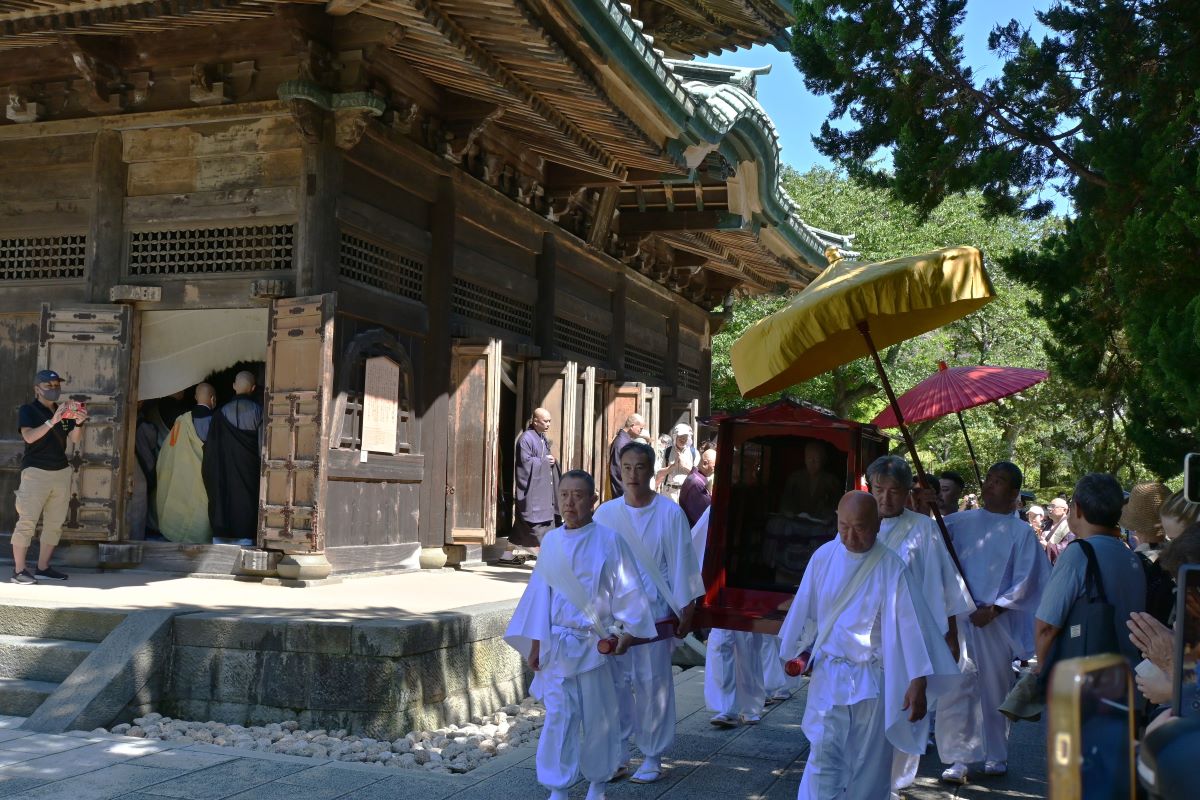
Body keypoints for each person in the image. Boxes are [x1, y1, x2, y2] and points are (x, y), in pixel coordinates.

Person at [777, 491, 959, 799]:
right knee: (822, 757)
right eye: (843, 525)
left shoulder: (891, 566)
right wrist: (794, 650)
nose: (850, 535)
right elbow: (805, 607)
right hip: (829, 675)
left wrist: (918, 683)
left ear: (876, 524)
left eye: (859, 527)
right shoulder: (824, 556)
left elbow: (911, 629)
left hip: (872, 678)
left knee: (869, 764)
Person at [504, 470, 656, 800]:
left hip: (595, 642)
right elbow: (539, 594)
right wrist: (535, 643)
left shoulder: (610, 541)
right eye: (564, 495)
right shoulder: (552, 542)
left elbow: (628, 590)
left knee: (599, 716)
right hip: (557, 643)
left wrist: (627, 633)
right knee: (559, 716)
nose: (569, 502)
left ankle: (598, 783)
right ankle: (557, 786)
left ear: (592, 500)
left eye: (578, 495)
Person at [594, 441, 704, 784]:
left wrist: (688, 608)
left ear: (652, 470)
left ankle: (653, 753)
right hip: (615, 614)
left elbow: (683, 561)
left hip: (655, 611)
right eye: (626, 467)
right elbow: (594, 565)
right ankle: (618, 752)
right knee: (614, 685)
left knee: (653, 682)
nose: (632, 474)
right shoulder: (605, 514)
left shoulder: (669, 514)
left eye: (640, 467)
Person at [865, 455, 975, 796]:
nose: (885, 498)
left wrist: (951, 633)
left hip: (908, 633)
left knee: (906, 705)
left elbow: (943, 584)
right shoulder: (859, 523)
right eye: (878, 490)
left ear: (907, 492)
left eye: (894, 491)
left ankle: (895, 783)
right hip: (866, 634)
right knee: (866, 709)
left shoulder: (923, 529)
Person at [936, 461, 1050, 784]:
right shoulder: (958, 522)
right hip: (960, 617)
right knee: (958, 685)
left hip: (996, 622)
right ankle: (958, 758)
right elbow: (937, 546)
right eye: (988, 479)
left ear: (1014, 493)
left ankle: (996, 753)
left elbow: (1029, 579)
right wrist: (930, 504)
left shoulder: (1022, 533)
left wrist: (996, 609)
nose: (990, 486)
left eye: (999, 482)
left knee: (994, 686)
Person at [1035, 473, 1146, 682]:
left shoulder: (1078, 553)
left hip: (1081, 684)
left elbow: (1046, 626)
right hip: (1128, 679)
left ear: (1077, 508)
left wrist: (1042, 669)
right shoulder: (1131, 556)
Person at [691, 505, 767, 729]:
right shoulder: (718, 506)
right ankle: (726, 707)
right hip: (720, 580)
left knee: (748, 642)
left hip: (749, 577)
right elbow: (695, 540)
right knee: (721, 640)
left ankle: (751, 705)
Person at [11, 369, 87, 584]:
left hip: (60, 471)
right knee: (27, 521)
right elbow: (29, 436)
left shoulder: (62, 412)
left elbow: (74, 438)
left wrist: (79, 422)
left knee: (55, 523)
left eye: (56, 385)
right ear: (37, 389)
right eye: (48, 385)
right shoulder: (29, 410)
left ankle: (43, 567)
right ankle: (18, 571)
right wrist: (52, 421)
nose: (54, 389)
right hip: (35, 472)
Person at [201, 371, 262, 546]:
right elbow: (262, 448)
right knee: (247, 501)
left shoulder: (219, 414)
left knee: (223, 497)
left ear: (234, 386)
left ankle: (221, 537)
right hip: (249, 470)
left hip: (224, 470)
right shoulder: (259, 412)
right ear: (253, 388)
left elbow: (212, 449)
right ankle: (247, 538)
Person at [156, 384, 217, 544]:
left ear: (195, 397)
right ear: (213, 399)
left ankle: (176, 535)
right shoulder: (216, 422)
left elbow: (168, 450)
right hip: (204, 477)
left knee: (181, 504)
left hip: (181, 474)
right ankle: (199, 540)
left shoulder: (181, 421)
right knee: (201, 509)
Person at [501, 408, 559, 565]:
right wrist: (546, 462)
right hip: (532, 491)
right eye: (545, 421)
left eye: (549, 421)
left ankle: (507, 555)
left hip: (541, 490)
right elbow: (525, 463)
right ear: (535, 421)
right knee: (534, 525)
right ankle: (542, 556)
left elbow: (543, 459)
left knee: (521, 527)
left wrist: (551, 461)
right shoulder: (526, 439)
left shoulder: (541, 438)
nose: (548, 424)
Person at [778, 440, 841, 521]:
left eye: (816, 458)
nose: (812, 462)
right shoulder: (794, 478)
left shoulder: (832, 481)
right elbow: (785, 503)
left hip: (821, 525)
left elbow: (837, 507)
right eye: (809, 457)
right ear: (804, 459)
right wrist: (788, 512)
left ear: (823, 460)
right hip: (796, 522)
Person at [656, 423, 698, 503]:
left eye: (685, 437)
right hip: (669, 493)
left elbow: (698, 476)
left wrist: (685, 466)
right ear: (675, 437)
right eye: (680, 437)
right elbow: (659, 473)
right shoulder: (667, 452)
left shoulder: (694, 453)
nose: (683, 439)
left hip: (687, 493)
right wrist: (672, 467)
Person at [607, 413, 645, 499]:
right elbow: (617, 471)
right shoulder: (621, 443)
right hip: (622, 493)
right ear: (632, 426)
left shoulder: (625, 441)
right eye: (640, 428)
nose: (641, 432)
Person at [679, 448, 715, 527]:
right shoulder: (697, 483)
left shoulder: (696, 478)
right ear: (705, 464)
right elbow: (706, 513)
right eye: (714, 467)